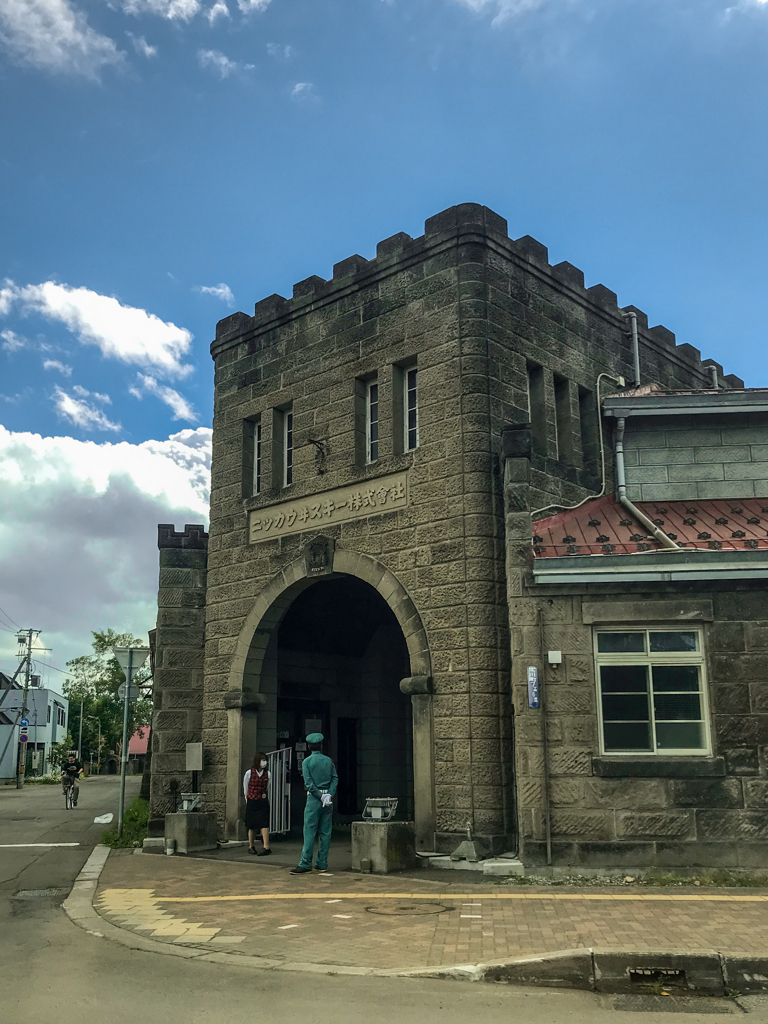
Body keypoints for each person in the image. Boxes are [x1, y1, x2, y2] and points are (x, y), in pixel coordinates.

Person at [290, 732, 338, 874]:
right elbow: (335, 779)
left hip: (313, 798)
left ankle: (305, 862)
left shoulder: (306, 762)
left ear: (309, 746)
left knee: (310, 831)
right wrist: (329, 794)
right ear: (321, 745)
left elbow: (309, 784)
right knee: (325, 831)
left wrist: (319, 795)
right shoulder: (329, 761)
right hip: (328, 798)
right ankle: (322, 862)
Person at [243, 751, 271, 856]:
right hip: (252, 801)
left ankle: (266, 846)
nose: (264, 762)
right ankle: (251, 846)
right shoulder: (249, 773)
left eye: (265, 760)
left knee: (264, 823)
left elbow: (267, 786)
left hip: (262, 801)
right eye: (262, 760)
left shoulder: (268, 774)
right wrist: (248, 799)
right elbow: (246, 788)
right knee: (251, 824)